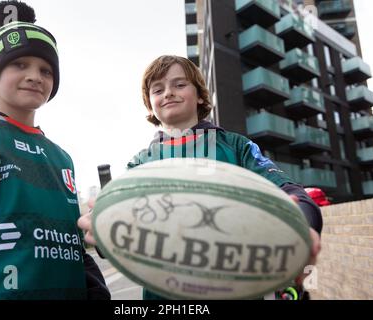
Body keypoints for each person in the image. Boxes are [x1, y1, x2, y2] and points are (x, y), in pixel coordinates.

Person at [78, 55, 322, 300]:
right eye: (158, 89)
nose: (169, 93)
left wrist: (302, 222)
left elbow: (291, 191)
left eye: (180, 84)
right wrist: (102, 228)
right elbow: (114, 237)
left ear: (201, 96)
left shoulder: (236, 147)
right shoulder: (140, 164)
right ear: (150, 104)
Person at [0, 1, 109, 300]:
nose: (35, 76)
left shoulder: (61, 156)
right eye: (19, 64)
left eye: (46, 70)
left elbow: (71, 246)